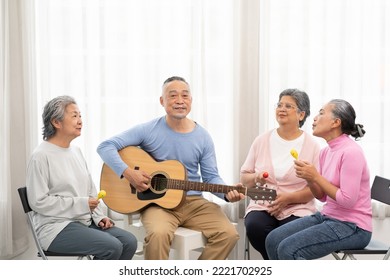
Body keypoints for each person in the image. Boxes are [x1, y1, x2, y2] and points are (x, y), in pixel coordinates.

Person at [97, 76, 244, 260]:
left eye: (185, 95)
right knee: (159, 234)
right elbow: (105, 147)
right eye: (173, 96)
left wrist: (227, 194)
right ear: (162, 101)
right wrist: (129, 173)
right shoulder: (148, 130)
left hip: (194, 204)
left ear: (191, 100)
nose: (180, 101)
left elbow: (211, 177)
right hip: (159, 206)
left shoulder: (203, 136)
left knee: (228, 234)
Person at [26, 95, 138, 260]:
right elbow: (38, 202)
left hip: (82, 221)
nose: (80, 121)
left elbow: (90, 190)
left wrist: (100, 217)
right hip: (55, 227)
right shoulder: (40, 156)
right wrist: (82, 204)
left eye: (80, 116)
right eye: (74, 116)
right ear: (56, 122)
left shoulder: (76, 152)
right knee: (111, 246)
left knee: (129, 241)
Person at [265, 99, 372, 260]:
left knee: (288, 249)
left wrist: (315, 176)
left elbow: (348, 200)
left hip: (353, 227)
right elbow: (321, 196)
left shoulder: (351, 152)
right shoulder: (325, 152)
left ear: (336, 122)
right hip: (328, 217)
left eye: (321, 113)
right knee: (272, 240)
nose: (314, 118)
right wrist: (310, 179)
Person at [240, 88, 320, 260]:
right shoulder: (262, 140)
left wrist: (288, 199)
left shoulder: (312, 146)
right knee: (255, 227)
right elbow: (244, 178)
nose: (281, 109)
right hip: (263, 204)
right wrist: (256, 177)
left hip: (298, 207)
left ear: (301, 115)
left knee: (289, 237)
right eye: (279, 105)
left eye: (289, 106)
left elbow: (315, 189)